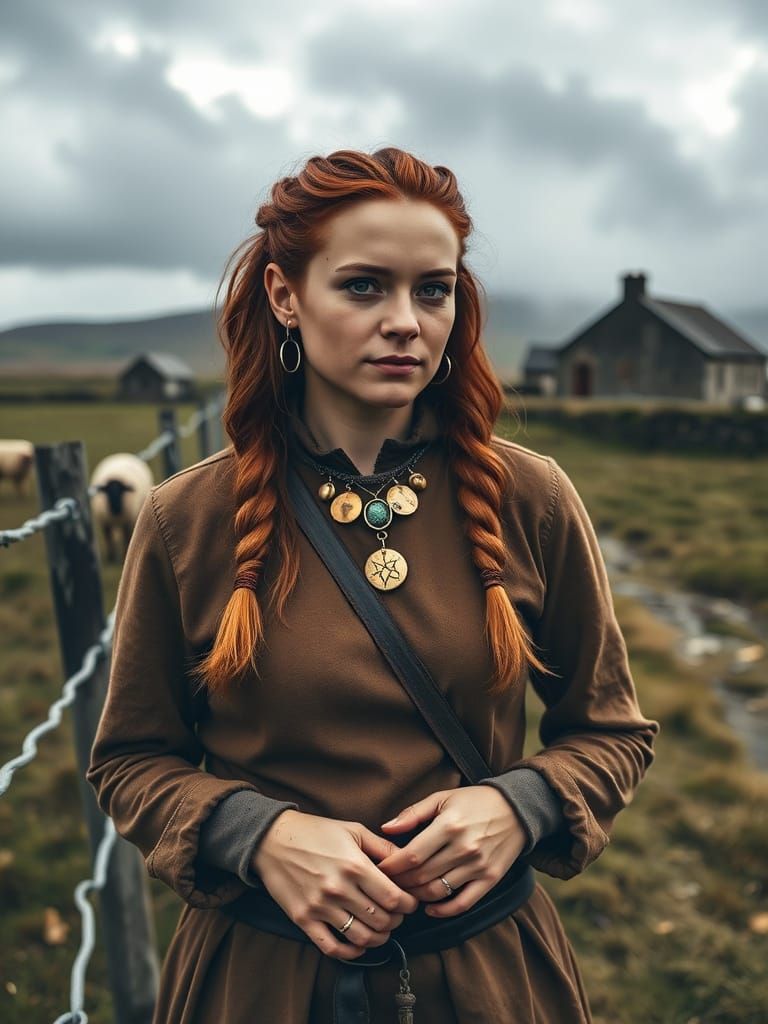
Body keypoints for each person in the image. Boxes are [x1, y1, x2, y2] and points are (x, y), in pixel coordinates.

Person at [86, 146, 660, 1023]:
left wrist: (524, 804)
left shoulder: (531, 498)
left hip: (490, 981)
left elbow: (611, 733)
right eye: (363, 287)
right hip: (258, 984)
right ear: (286, 295)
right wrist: (258, 835)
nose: (406, 321)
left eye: (433, 289)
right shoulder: (184, 518)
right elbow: (129, 760)